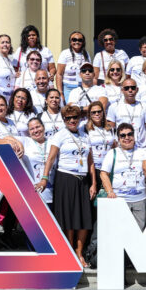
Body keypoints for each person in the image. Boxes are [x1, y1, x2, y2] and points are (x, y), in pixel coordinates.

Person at [39, 105, 97, 266]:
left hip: (83, 180)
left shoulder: (85, 136)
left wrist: (93, 183)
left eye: (75, 118)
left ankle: (80, 252)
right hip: (66, 178)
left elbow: (90, 161)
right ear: (64, 120)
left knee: (85, 217)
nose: (72, 121)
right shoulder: (59, 136)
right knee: (69, 217)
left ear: (79, 119)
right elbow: (50, 159)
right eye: (68, 118)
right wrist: (44, 177)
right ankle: (71, 250)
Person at [100, 123, 146, 229]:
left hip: (140, 200)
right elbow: (103, 173)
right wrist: (110, 191)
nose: (127, 138)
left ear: (134, 136)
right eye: (123, 135)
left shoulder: (143, 152)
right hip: (119, 200)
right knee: (120, 231)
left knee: (139, 232)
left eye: (129, 134)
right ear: (118, 138)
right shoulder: (112, 153)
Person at [20, 117, 55, 214]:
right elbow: (5, 138)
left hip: (53, 193)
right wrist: (18, 144)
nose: (35, 130)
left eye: (38, 127)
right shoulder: (25, 141)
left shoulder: (53, 141)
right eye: (32, 129)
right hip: (33, 194)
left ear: (43, 127)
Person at [107, 78, 146, 148]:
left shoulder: (145, 107)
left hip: (141, 148)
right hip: (121, 148)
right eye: (126, 88)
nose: (130, 90)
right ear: (122, 90)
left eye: (133, 88)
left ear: (137, 90)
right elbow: (110, 129)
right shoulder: (114, 107)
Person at [56, 31, 91, 101]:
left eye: (80, 40)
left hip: (82, 86)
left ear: (83, 42)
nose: (77, 42)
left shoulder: (86, 54)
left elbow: (90, 72)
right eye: (74, 39)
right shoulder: (65, 53)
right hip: (68, 87)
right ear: (70, 41)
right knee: (70, 109)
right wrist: (60, 92)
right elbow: (59, 74)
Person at [85, 101, 117, 173]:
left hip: (109, 167)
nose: (97, 114)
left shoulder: (110, 128)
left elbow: (114, 146)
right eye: (93, 112)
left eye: (99, 111)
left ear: (103, 113)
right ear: (89, 114)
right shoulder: (85, 129)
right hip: (94, 168)